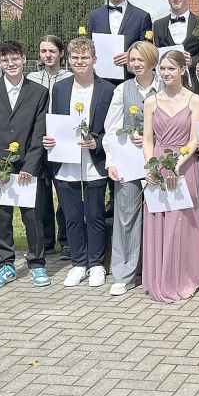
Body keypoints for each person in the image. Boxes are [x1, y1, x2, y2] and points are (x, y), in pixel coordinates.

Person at [0, 40, 51, 289]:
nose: (10, 63)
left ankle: (37, 264)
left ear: (24, 59)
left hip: (27, 167)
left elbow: (39, 132)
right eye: (5, 59)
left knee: (33, 218)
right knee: (1, 219)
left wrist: (30, 167)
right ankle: (5, 264)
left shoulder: (39, 92)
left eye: (15, 58)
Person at [42, 37, 116, 288]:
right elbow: (54, 122)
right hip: (66, 163)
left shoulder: (107, 89)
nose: (80, 62)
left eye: (85, 57)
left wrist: (98, 143)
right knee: (72, 216)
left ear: (94, 60)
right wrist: (51, 141)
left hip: (94, 164)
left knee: (94, 216)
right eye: (75, 58)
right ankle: (78, 262)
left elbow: (114, 129)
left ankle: (95, 264)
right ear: (69, 60)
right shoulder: (60, 89)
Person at [142, 50, 199, 302]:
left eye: (171, 68)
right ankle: (160, 277)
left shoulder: (194, 100)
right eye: (163, 69)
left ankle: (184, 276)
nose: (166, 73)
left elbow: (194, 139)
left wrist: (178, 164)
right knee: (159, 219)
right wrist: (150, 165)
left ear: (183, 70)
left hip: (185, 166)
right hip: (158, 164)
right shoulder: (151, 101)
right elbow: (148, 139)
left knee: (181, 221)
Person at [102, 41, 163, 296]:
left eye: (140, 60)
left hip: (158, 160)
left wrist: (152, 137)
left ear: (152, 61)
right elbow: (111, 129)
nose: (136, 64)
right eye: (132, 60)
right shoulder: (122, 90)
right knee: (125, 217)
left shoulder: (165, 87)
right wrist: (111, 161)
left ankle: (157, 271)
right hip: (128, 161)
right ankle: (123, 272)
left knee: (160, 216)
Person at [27, 35, 71, 258]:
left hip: (62, 141)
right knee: (40, 193)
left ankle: (66, 240)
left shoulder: (71, 77)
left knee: (64, 191)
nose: (48, 55)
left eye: (52, 51)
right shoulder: (32, 78)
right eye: (44, 51)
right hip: (38, 140)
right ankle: (45, 240)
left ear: (61, 53)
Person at [87, 0, 153, 84]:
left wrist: (131, 56)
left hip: (131, 80)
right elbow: (90, 47)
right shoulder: (94, 16)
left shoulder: (142, 17)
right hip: (100, 81)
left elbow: (148, 51)